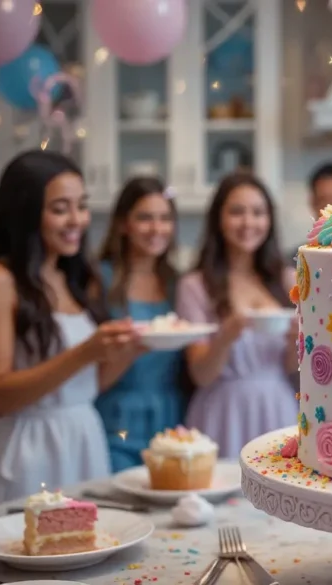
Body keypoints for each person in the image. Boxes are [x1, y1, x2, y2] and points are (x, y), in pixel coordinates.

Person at [0, 151, 138, 512]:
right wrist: (84, 352)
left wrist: (132, 349)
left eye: (82, 206)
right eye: (60, 209)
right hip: (25, 449)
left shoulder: (73, 278)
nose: (78, 220)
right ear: (25, 214)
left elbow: (83, 386)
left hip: (82, 438)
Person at [177, 172, 299, 457]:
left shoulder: (288, 280)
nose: (248, 223)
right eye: (236, 212)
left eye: (258, 213)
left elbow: (290, 367)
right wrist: (225, 336)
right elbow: (201, 375)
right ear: (218, 219)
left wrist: (299, 341)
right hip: (221, 411)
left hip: (277, 407)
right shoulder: (195, 285)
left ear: (269, 220)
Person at [95, 177, 186, 471]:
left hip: (171, 416)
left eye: (164, 218)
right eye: (144, 218)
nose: (156, 229)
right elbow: (90, 372)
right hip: (116, 417)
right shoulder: (101, 280)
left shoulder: (177, 282)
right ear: (123, 224)